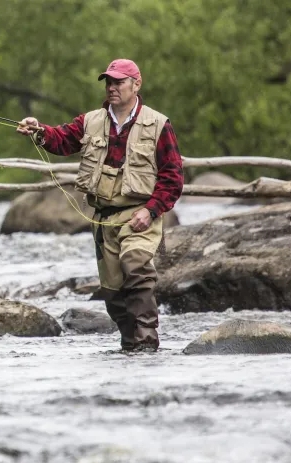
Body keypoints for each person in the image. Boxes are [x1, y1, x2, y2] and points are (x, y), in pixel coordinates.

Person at [16, 59, 183, 352]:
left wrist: (151, 210)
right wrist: (38, 130)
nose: (112, 87)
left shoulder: (158, 124)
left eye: (119, 82)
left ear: (136, 84)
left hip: (139, 215)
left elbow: (172, 178)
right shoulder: (91, 121)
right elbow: (62, 141)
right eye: (108, 82)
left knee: (137, 268)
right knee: (113, 293)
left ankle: (146, 345)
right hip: (105, 219)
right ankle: (130, 347)